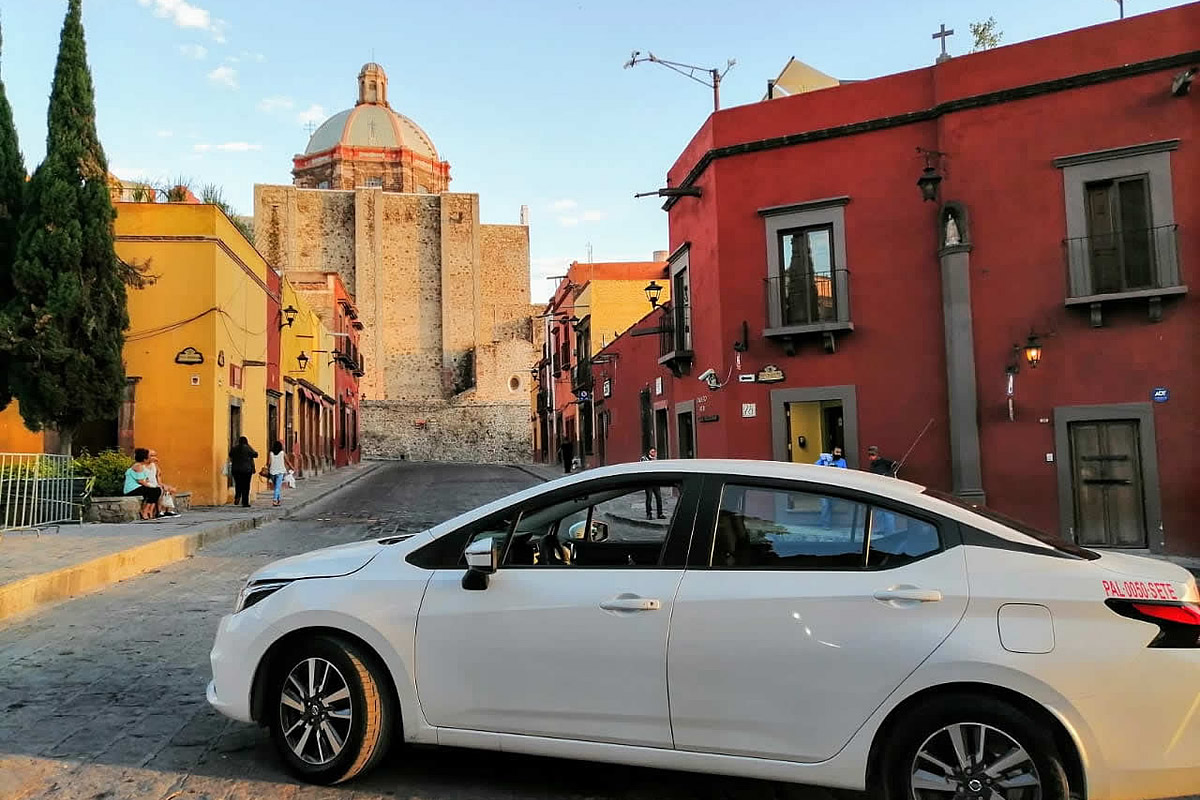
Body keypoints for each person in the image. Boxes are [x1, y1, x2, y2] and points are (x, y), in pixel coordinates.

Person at [123, 448, 162, 521]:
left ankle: (148, 510)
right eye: (149, 457)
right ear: (144, 459)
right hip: (132, 489)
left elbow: (145, 479)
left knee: (157, 490)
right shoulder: (138, 466)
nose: (150, 458)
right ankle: (145, 511)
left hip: (138, 487)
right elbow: (141, 481)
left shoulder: (141, 465)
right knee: (154, 490)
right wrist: (152, 486)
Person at [815, 446, 847, 527]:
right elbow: (815, 466)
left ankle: (830, 521)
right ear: (832, 452)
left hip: (835, 487)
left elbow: (845, 473)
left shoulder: (842, 461)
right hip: (824, 486)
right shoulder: (826, 459)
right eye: (837, 452)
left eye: (840, 452)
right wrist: (824, 460)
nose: (838, 454)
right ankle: (825, 524)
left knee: (832, 505)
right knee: (825, 505)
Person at [146, 449, 179, 518]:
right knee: (161, 490)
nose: (154, 457)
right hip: (148, 485)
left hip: (155, 484)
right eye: (151, 455)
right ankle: (160, 512)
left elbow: (158, 479)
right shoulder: (143, 466)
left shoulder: (155, 466)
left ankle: (168, 510)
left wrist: (165, 486)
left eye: (155, 455)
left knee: (170, 489)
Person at [228, 436, 258, 507]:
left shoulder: (234, 448)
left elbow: (230, 455)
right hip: (247, 470)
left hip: (236, 470)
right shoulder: (248, 448)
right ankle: (245, 502)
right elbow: (255, 455)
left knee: (238, 484)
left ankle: (237, 496)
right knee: (246, 486)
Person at [641, 447, 664, 520]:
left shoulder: (656, 459)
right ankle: (649, 514)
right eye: (652, 452)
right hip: (648, 481)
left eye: (655, 452)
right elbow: (644, 467)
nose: (653, 453)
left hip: (656, 481)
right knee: (649, 498)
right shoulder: (644, 459)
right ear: (649, 452)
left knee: (659, 498)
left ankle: (660, 514)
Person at [267, 440, 293, 507]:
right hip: (280, 471)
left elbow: (268, 463)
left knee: (276, 486)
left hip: (272, 472)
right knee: (277, 487)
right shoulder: (282, 453)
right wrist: (292, 467)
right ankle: (275, 500)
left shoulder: (271, 453)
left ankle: (278, 500)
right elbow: (287, 461)